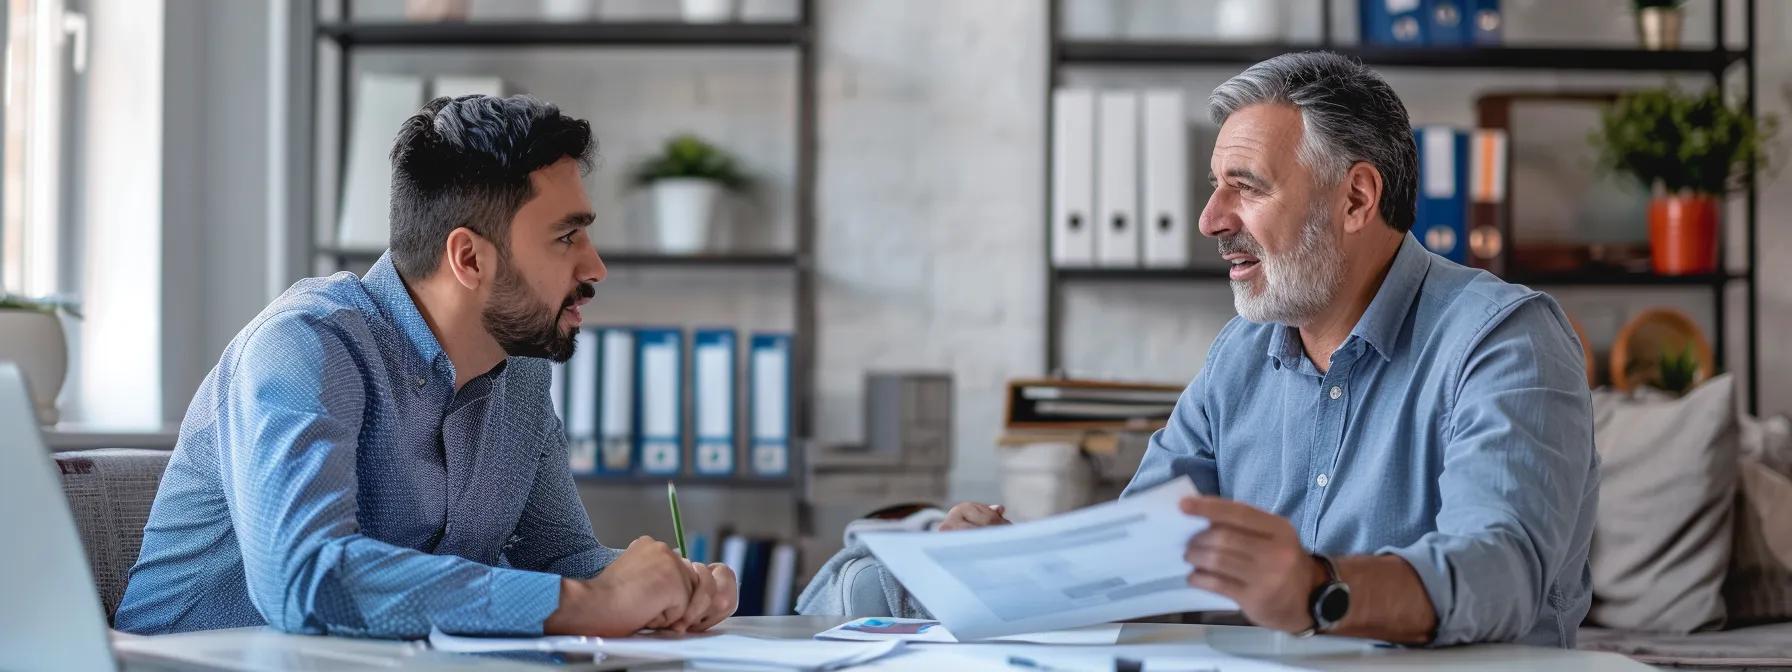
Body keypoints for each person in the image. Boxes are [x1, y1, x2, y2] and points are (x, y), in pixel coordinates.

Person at [811, 52, 1599, 648]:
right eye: (1214, 185)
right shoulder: (1242, 354)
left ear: (1356, 198)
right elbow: (1143, 554)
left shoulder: (1503, 339)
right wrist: (997, 567)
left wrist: (1321, 590)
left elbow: (1502, 572)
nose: (1210, 218)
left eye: (1246, 186)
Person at [115, 95, 737, 639]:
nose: (595, 267)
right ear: (468, 258)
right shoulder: (305, 344)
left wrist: (665, 587)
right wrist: (595, 601)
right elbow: (302, 577)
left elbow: (557, 557)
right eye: (566, 237)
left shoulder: (518, 376)